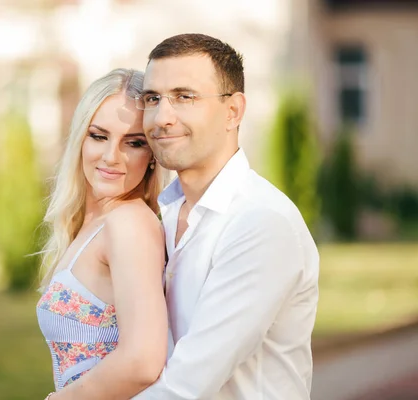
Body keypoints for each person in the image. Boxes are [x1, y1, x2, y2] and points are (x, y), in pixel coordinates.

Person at [131, 33, 320, 399]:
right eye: (153, 98)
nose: (161, 117)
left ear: (233, 111)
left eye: (184, 97)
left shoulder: (260, 222)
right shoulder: (163, 214)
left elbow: (186, 385)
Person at [36, 68, 169, 400]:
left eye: (134, 143)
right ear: (81, 138)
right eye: (99, 136)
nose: (112, 157)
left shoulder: (129, 224)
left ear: (152, 156)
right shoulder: (96, 222)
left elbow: (142, 361)